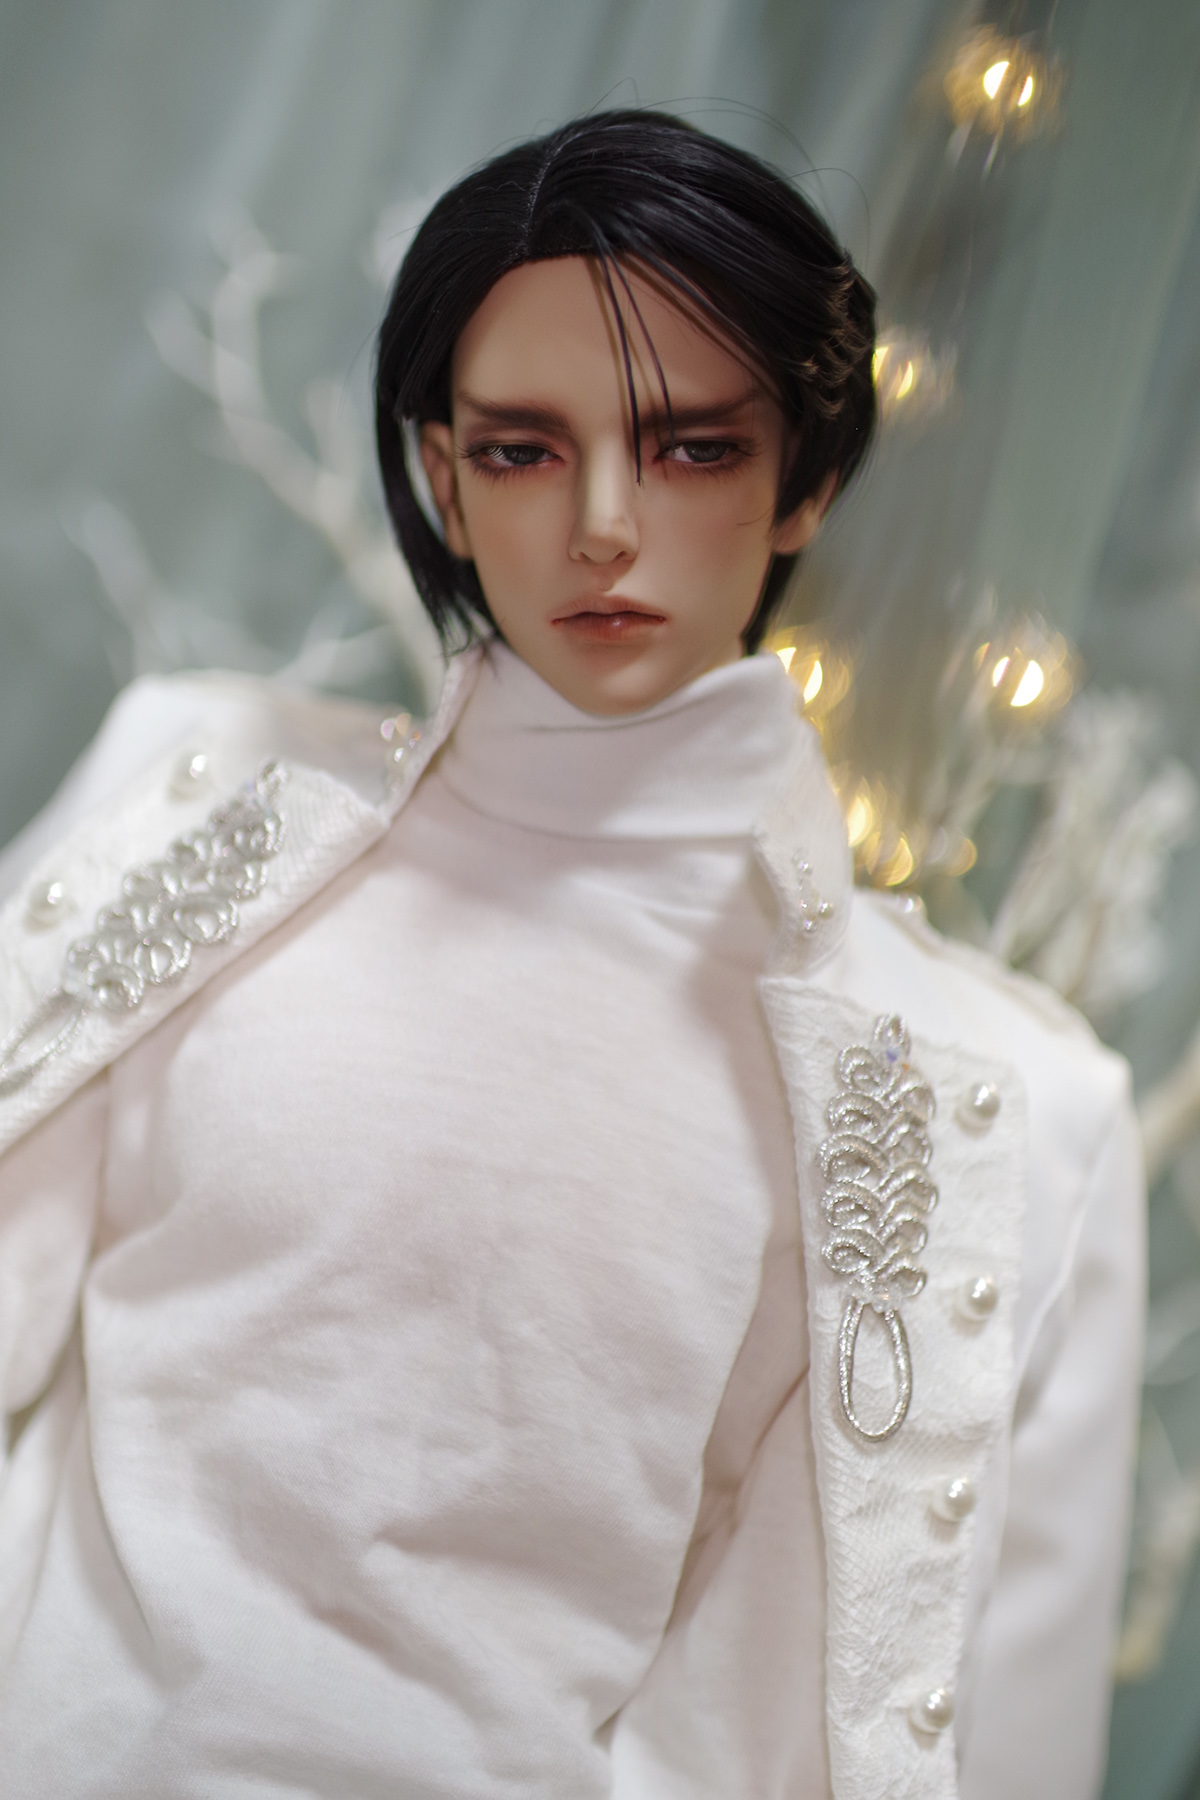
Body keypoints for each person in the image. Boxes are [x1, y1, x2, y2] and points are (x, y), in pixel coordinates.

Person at [0, 110, 1142, 1799]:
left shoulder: (988, 1104)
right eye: (526, 449)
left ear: (807, 482)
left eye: (693, 449)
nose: (606, 524)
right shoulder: (195, 797)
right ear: (441, 480)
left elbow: (932, 1734)